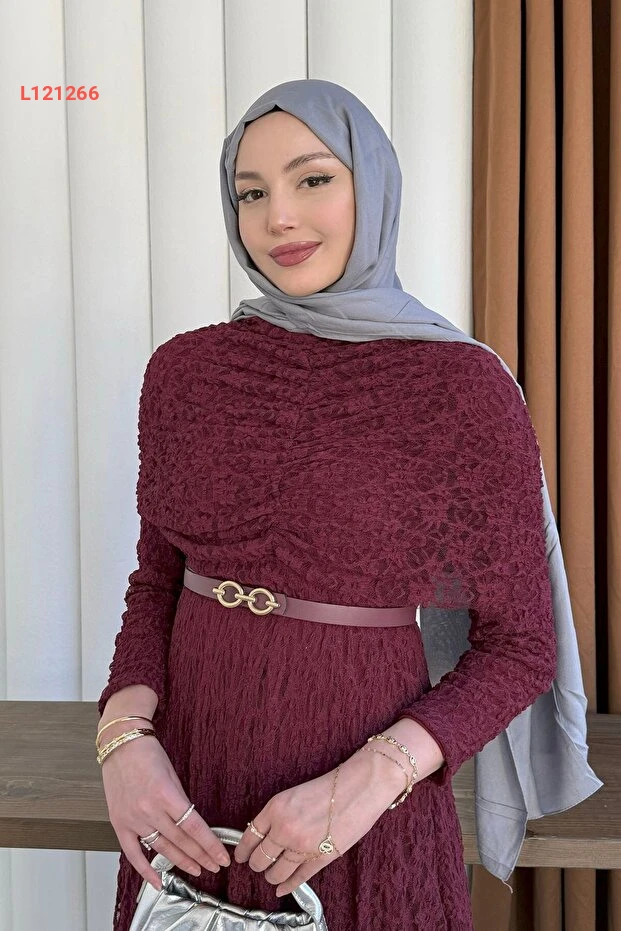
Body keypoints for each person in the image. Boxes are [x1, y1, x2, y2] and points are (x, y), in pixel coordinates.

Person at [97, 79, 560, 931]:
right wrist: (123, 741)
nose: (278, 217)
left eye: (312, 179)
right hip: (185, 801)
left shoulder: (460, 387)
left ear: (371, 188)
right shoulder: (185, 372)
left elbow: (519, 645)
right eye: (250, 193)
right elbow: (156, 581)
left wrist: (370, 780)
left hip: (364, 815)